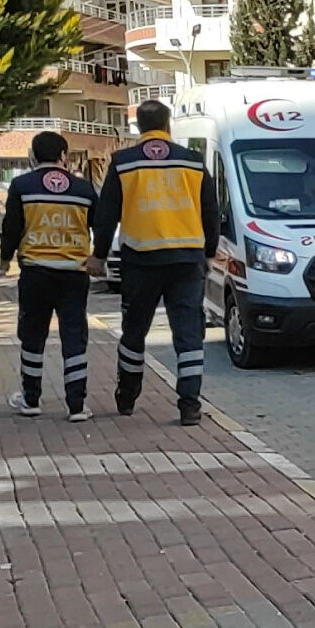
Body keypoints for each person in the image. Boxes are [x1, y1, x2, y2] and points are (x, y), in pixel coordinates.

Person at [87, 99, 219, 426]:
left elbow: (106, 214)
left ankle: (127, 396)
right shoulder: (192, 161)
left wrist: (99, 255)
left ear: (140, 128)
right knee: (188, 336)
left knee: (134, 332)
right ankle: (190, 405)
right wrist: (209, 252)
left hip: (140, 261)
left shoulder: (123, 162)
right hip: (186, 260)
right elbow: (210, 211)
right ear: (167, 124)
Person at [0, 132, 97, 422]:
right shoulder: (83, 188)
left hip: (35, 272)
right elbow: (101, 224)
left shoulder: (21, 186)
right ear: (64, 156)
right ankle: (76, 405)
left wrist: (4, 262)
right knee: (74, 337)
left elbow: (11, 227)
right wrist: (98, 257)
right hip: (73, 273)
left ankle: (31, 399)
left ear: (32, 156)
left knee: (32, 335)